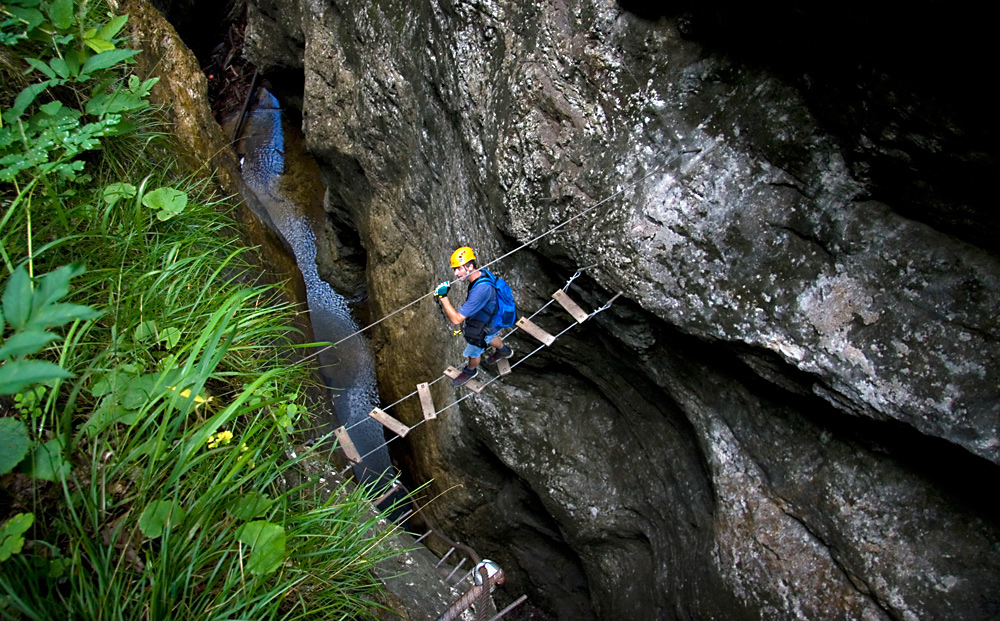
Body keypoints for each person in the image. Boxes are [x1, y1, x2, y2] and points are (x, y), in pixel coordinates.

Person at [436, 246, 514, 386]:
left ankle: (471, 370)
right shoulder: (482, 273)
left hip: (485, 325)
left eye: (459, 269)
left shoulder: (480, 290)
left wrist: (443, 297)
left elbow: (456, 320)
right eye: (455, 269)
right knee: (491, 336)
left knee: (474, 352)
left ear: (470, 267)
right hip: (492, 320)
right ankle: (504, 350)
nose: (456, 273)